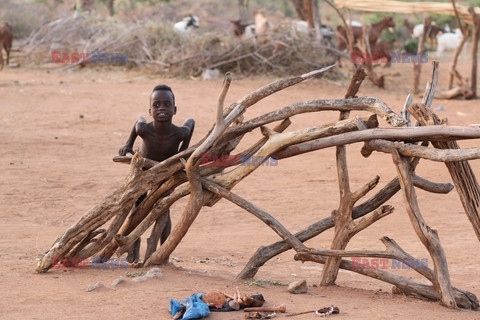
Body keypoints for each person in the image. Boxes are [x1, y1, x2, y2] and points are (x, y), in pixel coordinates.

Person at [118, 84, 195, 263]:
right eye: (156, 105)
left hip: (166, 172)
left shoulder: (179, 133)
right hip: (144, 171)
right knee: (138, 208)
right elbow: (139, 120)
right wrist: (128, 144)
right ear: (151, 109)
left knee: (163, 209)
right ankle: (132, 251)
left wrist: (183, 152)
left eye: (167, 104)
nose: (161, 108)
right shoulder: (144, 130)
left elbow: (191, 121)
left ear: (174, 109)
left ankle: (163, 253)